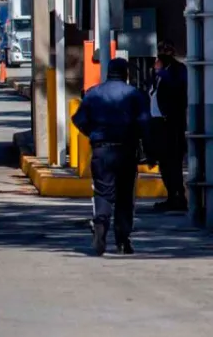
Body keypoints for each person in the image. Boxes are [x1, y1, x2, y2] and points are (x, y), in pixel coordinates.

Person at [72, 58, 151, 256]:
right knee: (125, 195)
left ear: (108, 72)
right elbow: (144, 124)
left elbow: (79, 119)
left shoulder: (93, 93)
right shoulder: (133, 94)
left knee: (103, 192)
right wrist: (148, 149)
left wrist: (93, 134)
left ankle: (100, 226)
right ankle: (123, 240)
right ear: (125, 74)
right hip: (126, 150)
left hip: (101, 149)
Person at [153, 41, 189, 211]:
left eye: (164, 52)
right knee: (165, 164)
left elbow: (179, 89)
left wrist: (161, 72)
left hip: (172, 124)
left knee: (173, 162)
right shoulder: (160, 72)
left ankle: (178, 197)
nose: (160, 55)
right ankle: (171, 196)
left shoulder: (177, 70)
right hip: (160, 125)